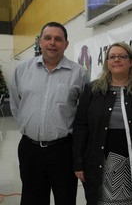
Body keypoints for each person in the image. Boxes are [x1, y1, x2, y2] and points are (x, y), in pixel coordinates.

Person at [10, 22, 88, 205]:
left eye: (58, 39)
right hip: (30, 150)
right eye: (48, 38)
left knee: (65, 198)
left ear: (66, 44)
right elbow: (16, 105)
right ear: (40, 42)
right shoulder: (22, 70)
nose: (52, 43)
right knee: (31, 199)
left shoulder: (79, 73)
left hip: (63, 151)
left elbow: (83, 114)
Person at [73, 42, 132, 205]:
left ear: (131, 61)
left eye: (122, 56)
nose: (116, 60)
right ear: (106, 62)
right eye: (112, 57)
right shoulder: (92, 89)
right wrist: (78, 162)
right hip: (101, 161)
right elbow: (81, 126)